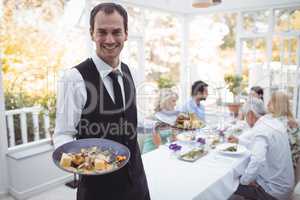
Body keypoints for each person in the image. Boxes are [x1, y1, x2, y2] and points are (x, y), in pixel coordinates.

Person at [53, 3, 150, 200]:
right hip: (98, 190)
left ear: (126, 34)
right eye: (102, 32)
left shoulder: (129, 71)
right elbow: (63, 134)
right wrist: (78, 162)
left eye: (116, 32)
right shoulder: (74, 78)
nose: (109, 39)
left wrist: (158, 124)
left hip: (137, 183)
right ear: (91, 33)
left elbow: (128, 122)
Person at [230, 95, 295, 200]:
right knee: (247, 175)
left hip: (274, 192)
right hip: (285, 185)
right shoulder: (273, 122)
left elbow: (257, 160)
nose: (246, 120)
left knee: (230, 184)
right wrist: (239, 141)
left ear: (250, 114)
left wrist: (245, 181)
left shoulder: (261, 129)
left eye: (245, 116)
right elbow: (261, 148)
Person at [267, 91, 300, 176]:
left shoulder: (277, 123)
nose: (267, 104)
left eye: (270, 102)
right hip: (291, 169)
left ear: (277, 105)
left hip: (279, 170)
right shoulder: (292, 121)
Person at [142, 88, 178, 153]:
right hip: (151, 153)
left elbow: (174, 139)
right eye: (173, 101)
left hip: (164, 150)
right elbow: (158, 145)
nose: (175, 104)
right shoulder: (151, 119)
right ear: (165, 102)